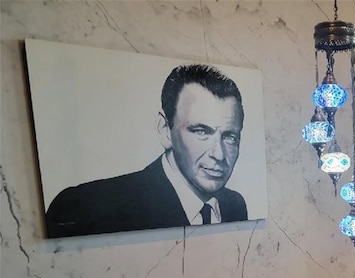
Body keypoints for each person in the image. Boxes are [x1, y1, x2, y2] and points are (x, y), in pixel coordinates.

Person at [45, 64, 248, 238]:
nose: (219, 155)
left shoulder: (235, 205)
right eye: (201, 131)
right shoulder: (84, 208)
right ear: (164, 129)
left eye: (230, 137)